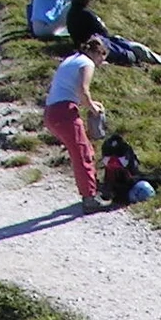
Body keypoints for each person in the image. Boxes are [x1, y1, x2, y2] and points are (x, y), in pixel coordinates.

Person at [43, 34, 108, 214]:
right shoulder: (87, 63)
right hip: (64, 112)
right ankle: (89, 198)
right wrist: (94, 110)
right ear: (98, 53)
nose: (102, 62)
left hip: (52, 112)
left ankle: (92, 188)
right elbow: (83, 91)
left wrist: (92, 104)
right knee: (82, 153)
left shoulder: (72, 59)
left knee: (83, 150)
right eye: (103, 57)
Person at [65, 0, 161, 67]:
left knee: (129, 48)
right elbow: (103, 30)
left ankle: (153, 59)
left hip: (85, 44)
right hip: (98, 43)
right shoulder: (88, 14)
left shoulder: (70, 14)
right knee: (132, 51)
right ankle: (160, 60)